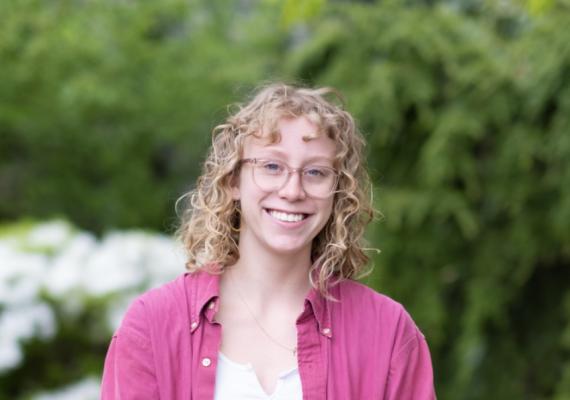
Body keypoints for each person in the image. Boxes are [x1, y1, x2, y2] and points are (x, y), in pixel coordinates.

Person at [101, 83, 436, 399]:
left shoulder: (387, 332)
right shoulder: (152, 325)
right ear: (233, 179)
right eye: (272, 166)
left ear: (338, 192)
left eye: (316, 172)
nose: (292, 191)